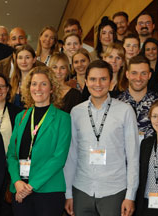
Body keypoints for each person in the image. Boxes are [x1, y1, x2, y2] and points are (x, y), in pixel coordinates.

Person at [64, 60, 139, 216]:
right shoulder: (76, 112)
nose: (97, 83)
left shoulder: (125, 111)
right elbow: (71, 156)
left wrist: (130, 195)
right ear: (86, 82)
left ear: (111, 82)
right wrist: (68, 193)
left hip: (114, 190)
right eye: (92, 79)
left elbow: (132, 157)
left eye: (103, 79)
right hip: (82, 189)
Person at [7, 66, 71, 216]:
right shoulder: (20, 117)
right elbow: (11, 155)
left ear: (52, 88)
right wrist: (17, 181)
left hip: (48, 191)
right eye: (34, 84)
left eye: (43, 84)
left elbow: (59, 158)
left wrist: (30, 187)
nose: (38, 88)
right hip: (19, 189)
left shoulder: (63, 119)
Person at [117, 56, 158, 141]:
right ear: (127, 74)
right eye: (134, 73)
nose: (138, 78)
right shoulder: (116, 104)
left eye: (143, 73)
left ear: (149, 75)